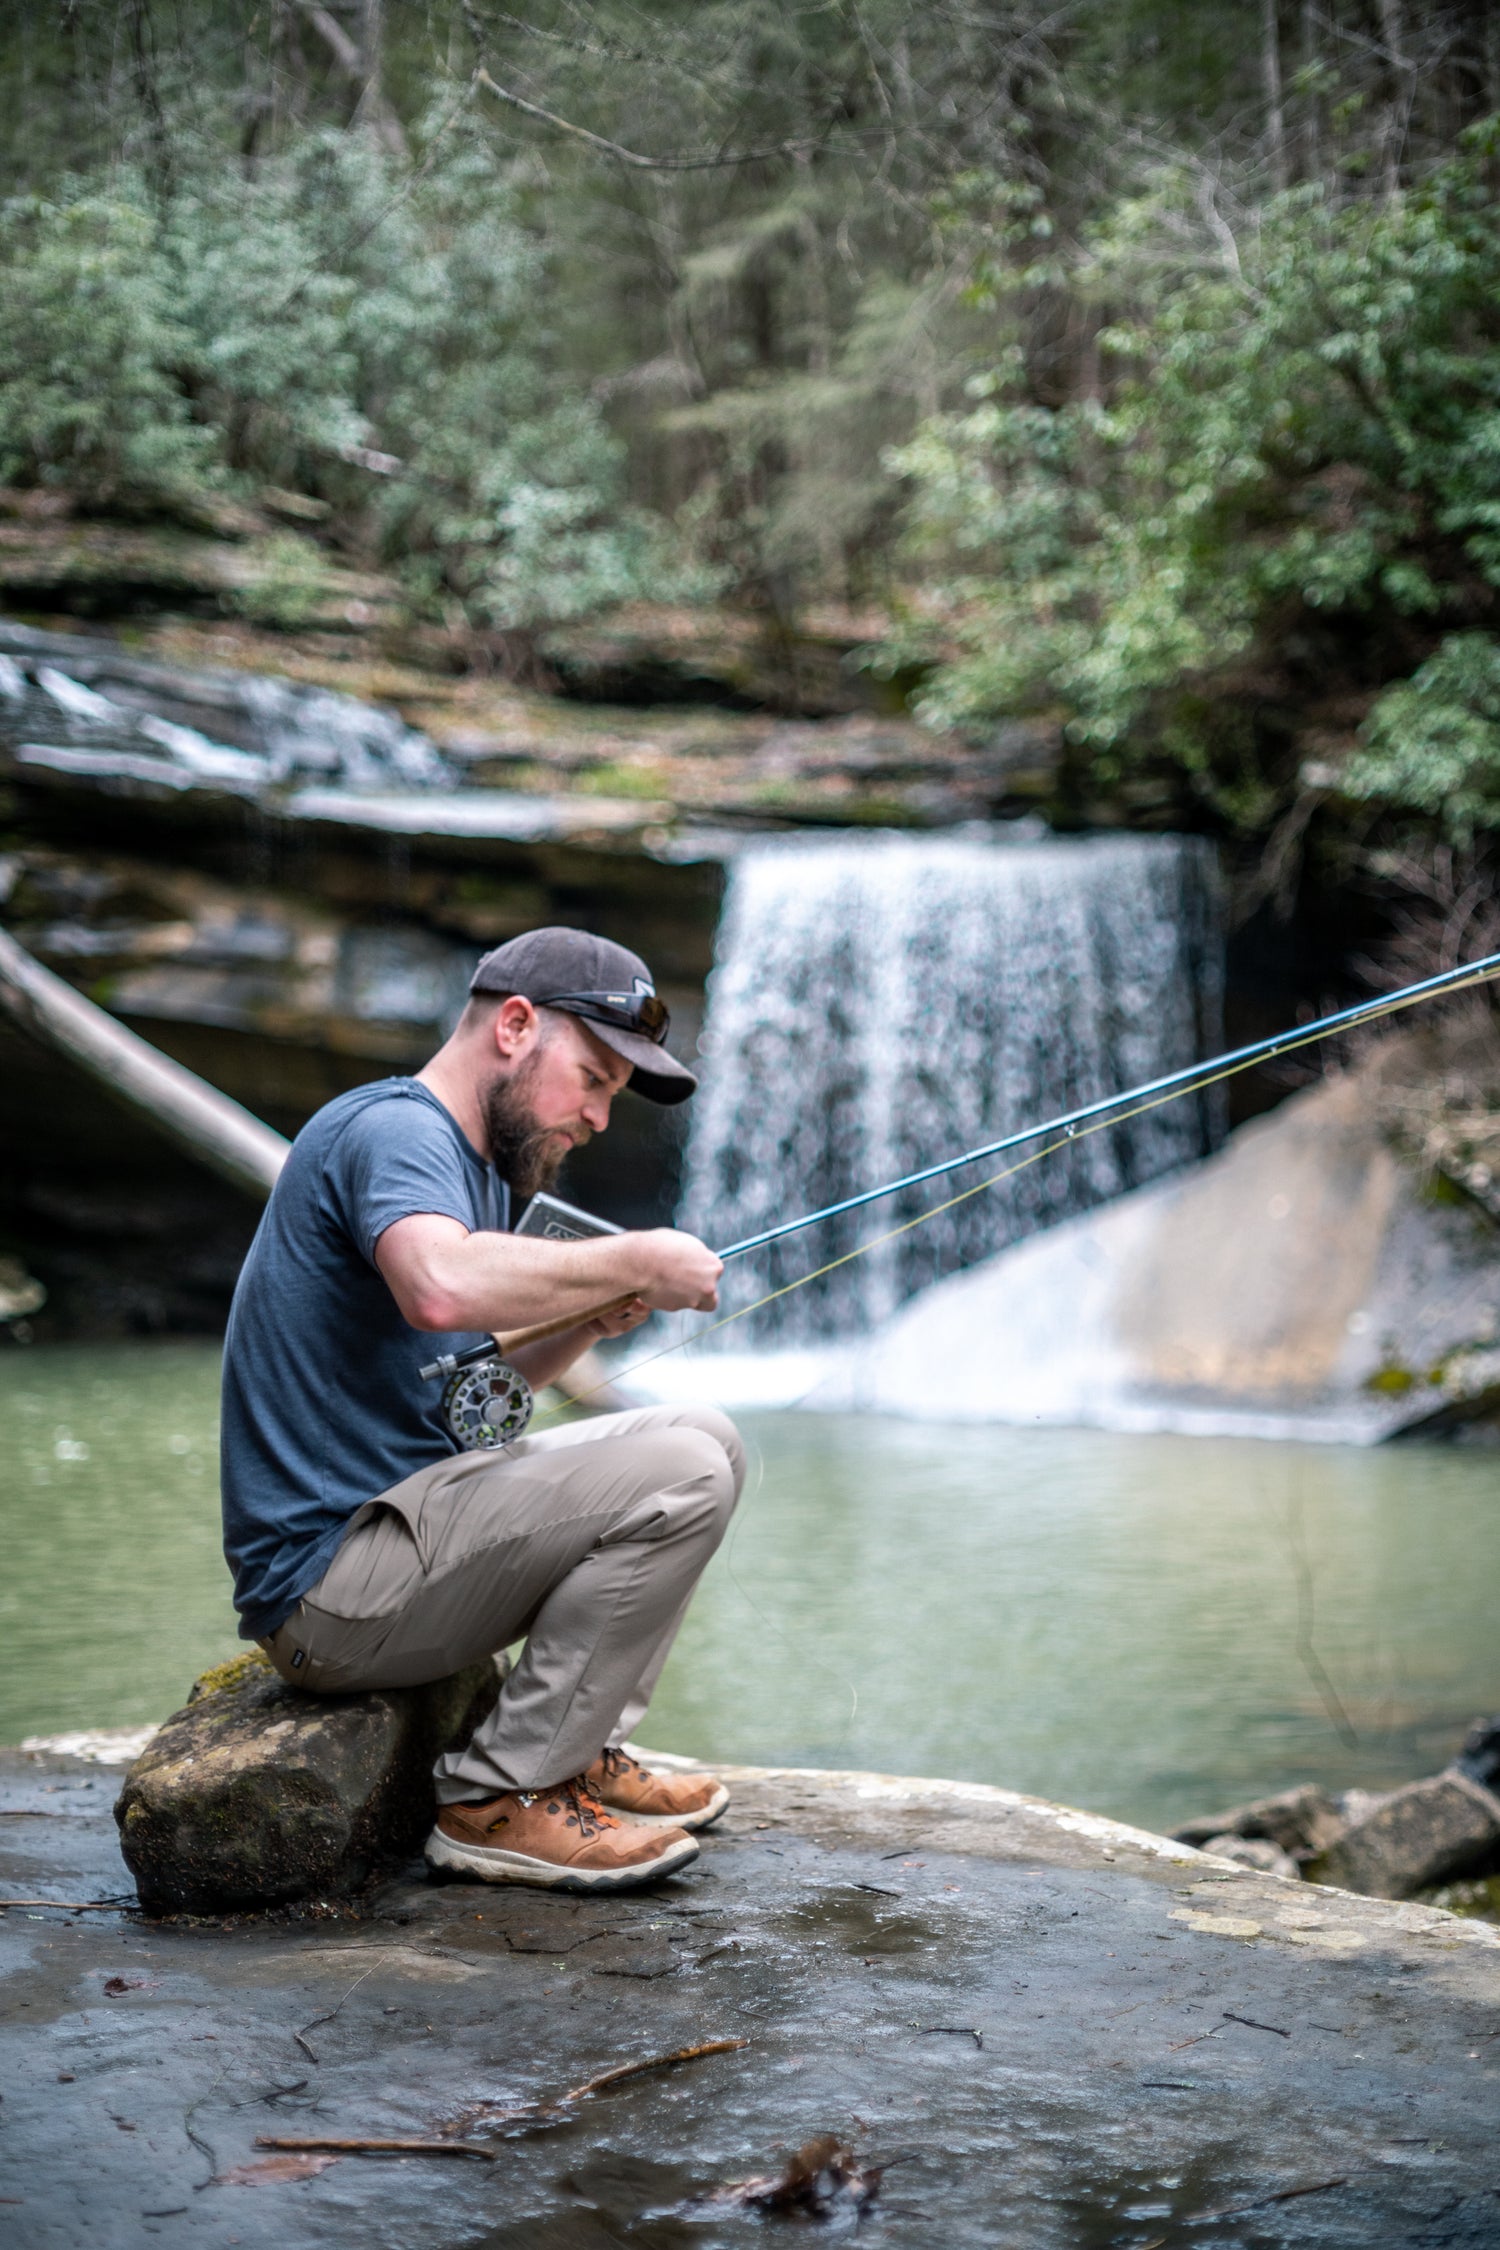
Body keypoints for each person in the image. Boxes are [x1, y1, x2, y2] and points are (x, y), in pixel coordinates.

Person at [220, 927, 744, 1893]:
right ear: (514, 1027)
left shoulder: (476, 1178)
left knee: (708, 1437)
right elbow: (438, 1288)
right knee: (682, 1471)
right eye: (590, 1079)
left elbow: (470, 1402)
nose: (595, 1117)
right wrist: (635, 1256)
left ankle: (575, 1750)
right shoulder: (396, 1131)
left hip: (401, 1542)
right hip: (329, 1587)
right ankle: (502, 1800)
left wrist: (590, 1320)